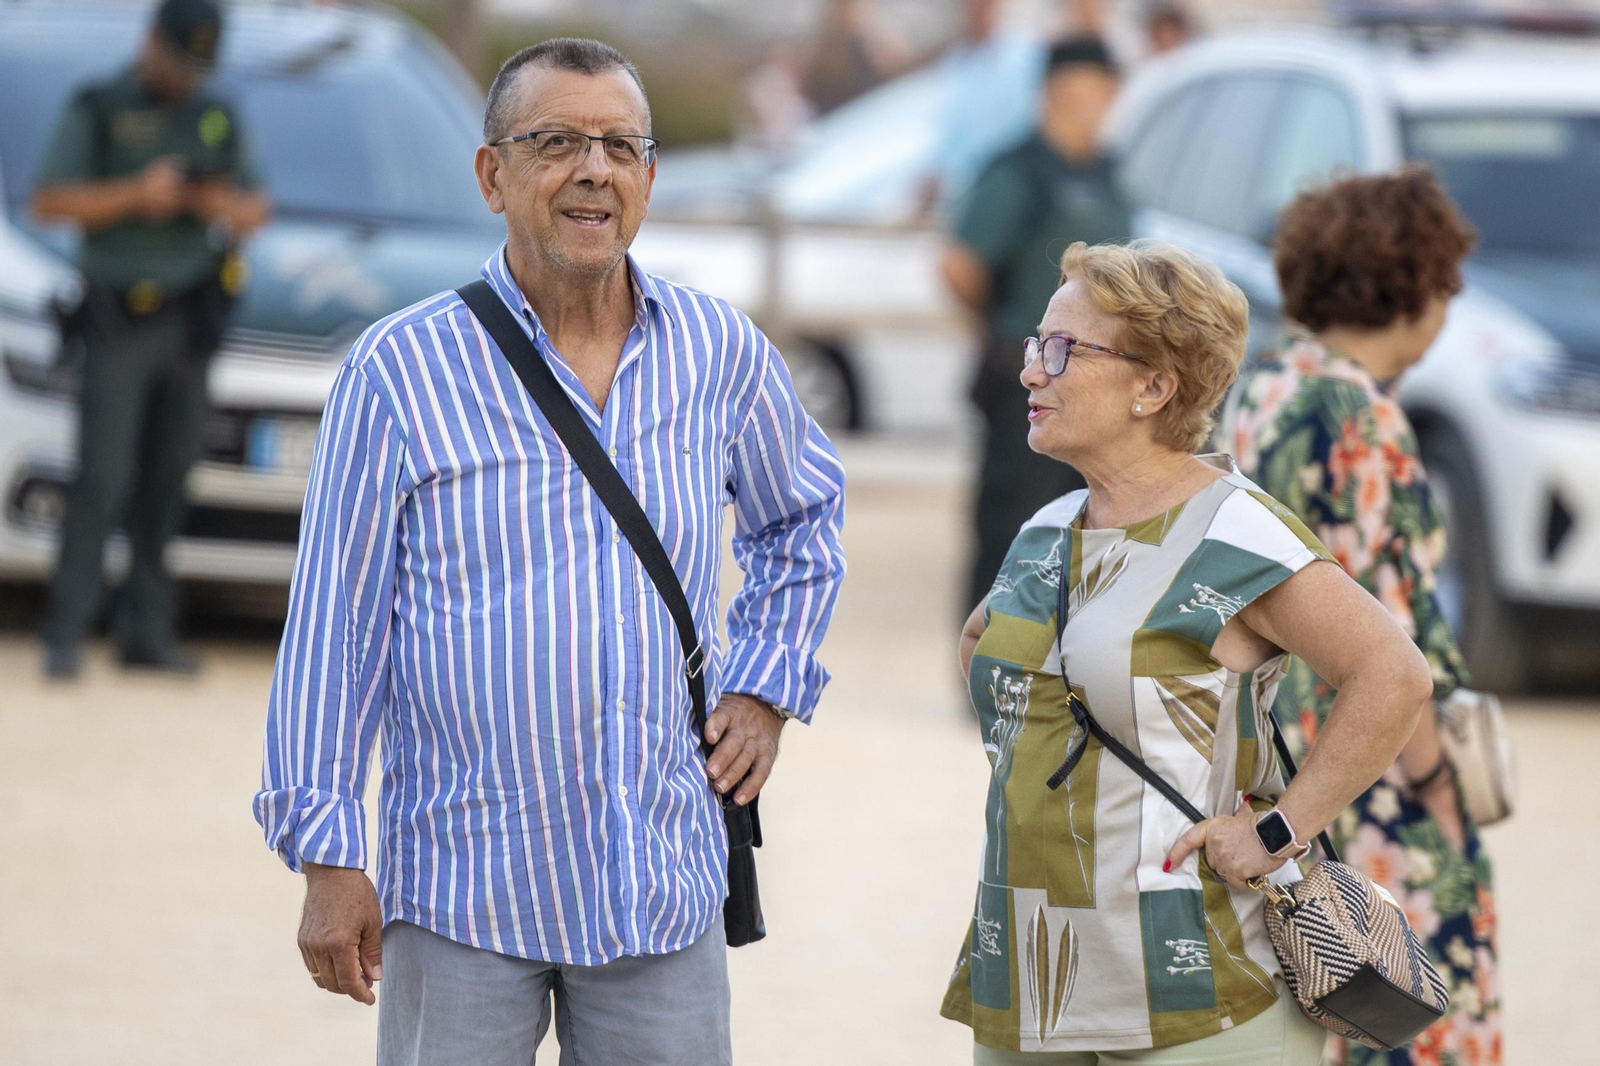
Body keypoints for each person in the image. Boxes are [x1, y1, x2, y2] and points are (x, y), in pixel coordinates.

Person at [251, 38, 846, 1066]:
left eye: (621, 146)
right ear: (493, 174)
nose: (594, 170)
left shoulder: (718, 352)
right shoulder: (399, 369)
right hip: (464, 882)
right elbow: (334, 626)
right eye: (556, 141)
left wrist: (763, 686)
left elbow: (802, 517)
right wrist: (328, 853)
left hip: (656, 879)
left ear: (651, 177)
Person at [940, 240, 1437, 1063]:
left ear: (1154, 386)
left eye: (1063, 350)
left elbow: (1393, 675)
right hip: (1026, 969)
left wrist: (1279, 829)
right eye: (1036, 344)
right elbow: (983, 647)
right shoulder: (1045, 530)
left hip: (1193, 981)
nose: (1032, 371)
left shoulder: (1238, 534)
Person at [1224, 170, 1500, 1066]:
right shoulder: (1362, 416)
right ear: (1415, 286)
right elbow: (1392, 626)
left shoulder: (1262, 383)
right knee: (1406, 1013)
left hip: (1283, 756)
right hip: (1369, 769)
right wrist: (1435, 790)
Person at [32, 0, 270, 679]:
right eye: (179, 60)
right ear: (151, 43)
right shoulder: (101, 105)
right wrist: (138, 194)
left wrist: (204, 202)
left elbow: (254, 208)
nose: (187, 77)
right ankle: (65, 632)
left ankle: (146, 633)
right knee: (101, 478)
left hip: (187, 321)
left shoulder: (215, 113)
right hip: (117, 318)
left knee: (168, 479)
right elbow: (50, 200)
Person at [941, 36, 1133, 614]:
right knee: (1012, 524)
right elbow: (959, 264)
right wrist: (1003, 328)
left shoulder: (1106, 171)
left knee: (1086, 523)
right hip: (1029, 371)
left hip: (1098, 378)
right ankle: (987, 662)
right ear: (1057, 90)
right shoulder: (1018, 169)